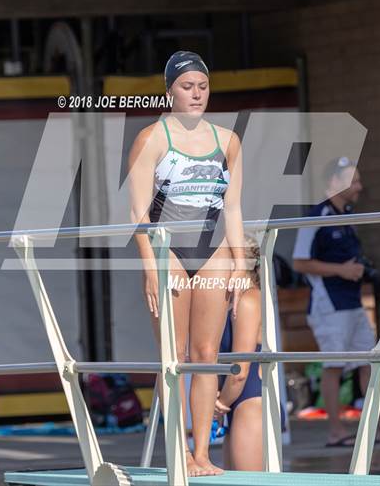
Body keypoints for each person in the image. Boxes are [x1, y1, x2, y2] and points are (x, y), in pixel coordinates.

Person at [128, 51, 246, 476]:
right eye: (186, 86)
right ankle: (177, 450)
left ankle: (202, 454)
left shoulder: (227, 141)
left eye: (202, 86)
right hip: (169, 252)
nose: (196, 94)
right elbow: (139, 213)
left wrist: (240, 265)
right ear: (169, 91)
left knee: (206, 354)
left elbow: (232, 209)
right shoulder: (152, 138)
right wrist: (149, 268)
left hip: (213, 252)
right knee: (174, 354)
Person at [292, 157, 380, 447]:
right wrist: (342, 270)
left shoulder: (347, 215)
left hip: (353, 303)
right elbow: (299, 263)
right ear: (334, 183)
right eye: (354, 181)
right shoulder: (316, 216)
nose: (360, 187)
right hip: (328, 306)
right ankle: (336, 431)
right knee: (334, 366)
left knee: (370, 362)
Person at [215, 236, 263, 470]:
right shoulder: (226, 302)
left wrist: (220, 404)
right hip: (234, 399)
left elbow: (240, 370)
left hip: (248, 401)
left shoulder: (248, 300)